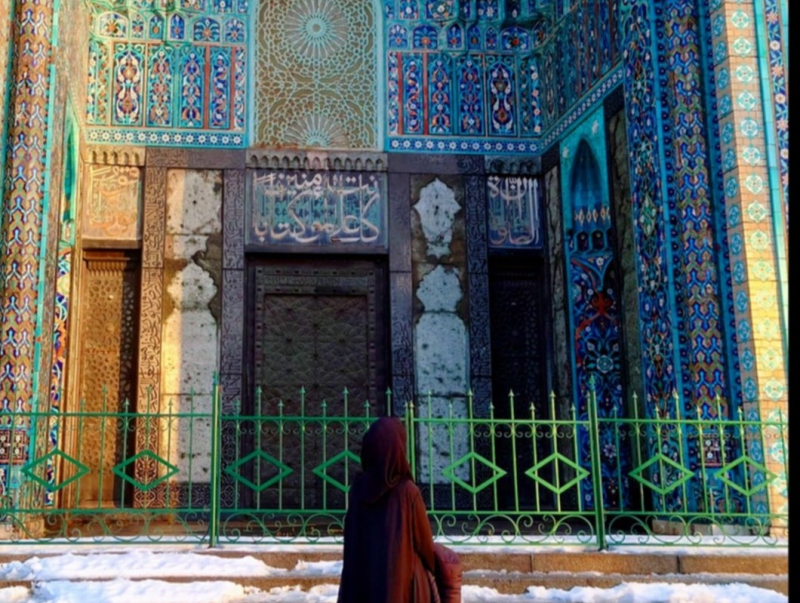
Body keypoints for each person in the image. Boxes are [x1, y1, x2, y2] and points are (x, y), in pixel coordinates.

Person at [337, 416, 438, 603]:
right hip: (401, 589)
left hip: (363, 584)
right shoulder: (407, 491)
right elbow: (424, 545)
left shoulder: (359, 489)